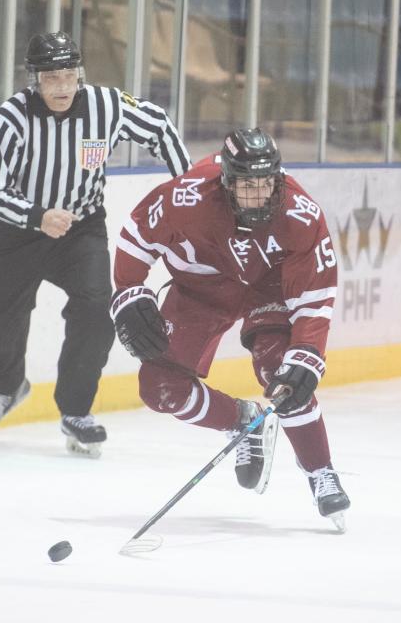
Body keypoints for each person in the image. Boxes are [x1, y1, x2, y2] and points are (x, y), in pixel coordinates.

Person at [110, 127, 351, 529]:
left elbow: (314, 295)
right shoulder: (186, 197)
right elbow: (135, 238)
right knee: (159, 389)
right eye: (247, 186)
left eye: (266, 183)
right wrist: (130, 292)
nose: (259, 194)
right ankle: (242, 420)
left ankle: (320, 472)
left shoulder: (300, 213)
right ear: (226, 183)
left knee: (281, 372)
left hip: (268, 288)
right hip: (201, 289)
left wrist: (307, 355)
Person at [0, 31, 191, 457]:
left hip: (81, 229)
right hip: (20, 230)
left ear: (80, 75)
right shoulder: (11, 118)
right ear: (35, 79)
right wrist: (37, 216)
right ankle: (6, 383)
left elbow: (159, 127)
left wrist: (189, 188)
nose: (62, 88)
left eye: (69, 76)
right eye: (51, 78)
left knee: (95, 310)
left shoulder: (107, 106)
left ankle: (75, 411)